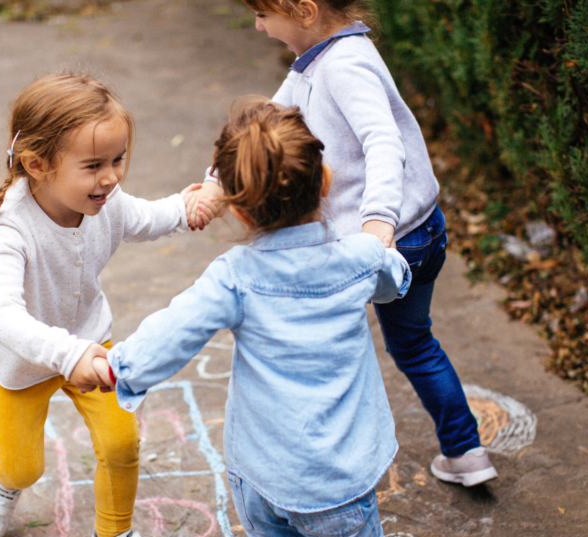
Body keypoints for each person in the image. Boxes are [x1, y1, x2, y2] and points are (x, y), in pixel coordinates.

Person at [89, 100, 411, 537]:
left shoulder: (236, 276)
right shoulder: (360, 258)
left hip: (260, 472)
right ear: (325, 181)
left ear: (238, 211)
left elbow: (177, 327)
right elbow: (393, 281)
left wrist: (120, 367)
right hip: (336, 480)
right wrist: (390, 258)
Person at [188, 0, 497, 487]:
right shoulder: (317, 60)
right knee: (415, 344)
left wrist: (379, 222)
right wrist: (214, 182)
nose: (258, 26)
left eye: (264, 15)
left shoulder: (344, 65)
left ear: (305, 11)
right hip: (419, 230)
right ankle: (466, 453)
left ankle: (325, 462)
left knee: (323, 346)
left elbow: (384, 141)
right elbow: (262, 127)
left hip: (386, 242)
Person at [0, 71, 191, 537]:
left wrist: (189, 207)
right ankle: (2, 482)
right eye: (94, 166)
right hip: (23, 364)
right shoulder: (11, 229)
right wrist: (68, 354)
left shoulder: (106, 203)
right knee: (24, 466)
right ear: (37, 165)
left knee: (121, 442)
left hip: (91, 341)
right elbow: (0, 314)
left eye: (117, 160)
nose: (111, 178)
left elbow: (147, 217)